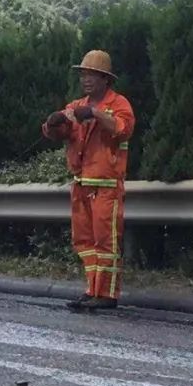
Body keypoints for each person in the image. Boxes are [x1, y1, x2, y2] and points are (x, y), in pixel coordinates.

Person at [42, 50, 135, 311]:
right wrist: (52, 124)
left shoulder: (119, 104)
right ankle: (92, 289)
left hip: (106, 187)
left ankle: (107, 294)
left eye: (92, 74)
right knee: (84, 241)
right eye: (83, 74)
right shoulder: (75, 106)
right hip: (81, 185)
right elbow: (59, 131)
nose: (86, 79)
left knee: (106, 241)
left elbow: (122, 128)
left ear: (105, 79)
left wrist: (94, 113)